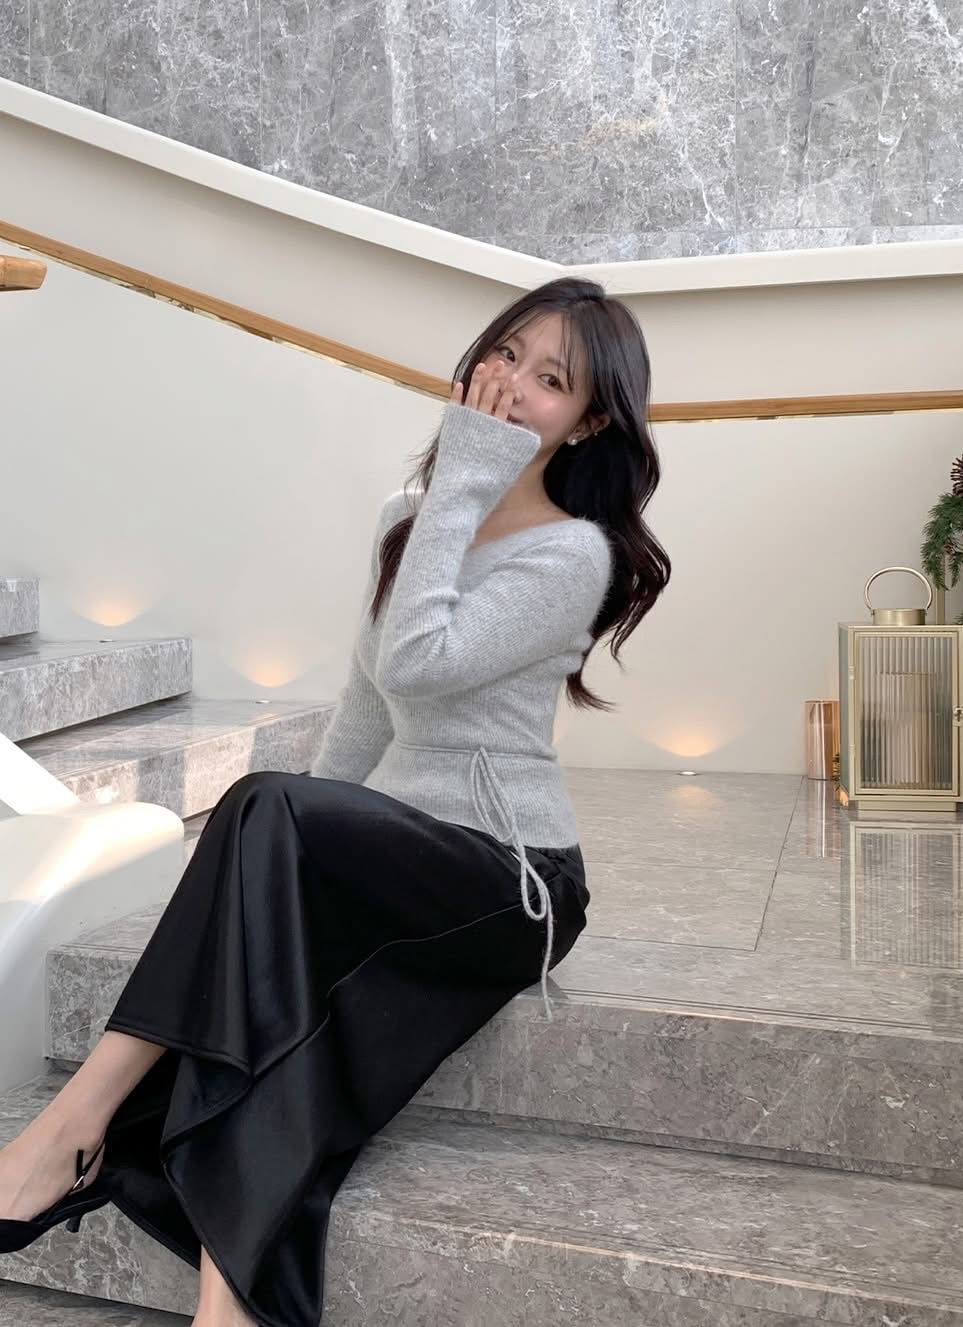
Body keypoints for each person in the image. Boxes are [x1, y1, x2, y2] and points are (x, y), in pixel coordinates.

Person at [0, 276, 671, 1326]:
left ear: (586, 423)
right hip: (401, 854)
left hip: (511, 880)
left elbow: (416, 665)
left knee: (263, 816)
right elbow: (365, 705)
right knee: (271, 936)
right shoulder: (408, 520)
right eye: (505, 354)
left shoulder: (570, 554)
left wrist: (463, 481)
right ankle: (228, 1303)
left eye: (549, 380)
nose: (511, 385)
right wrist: (264, 868)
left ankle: (71, 1127)